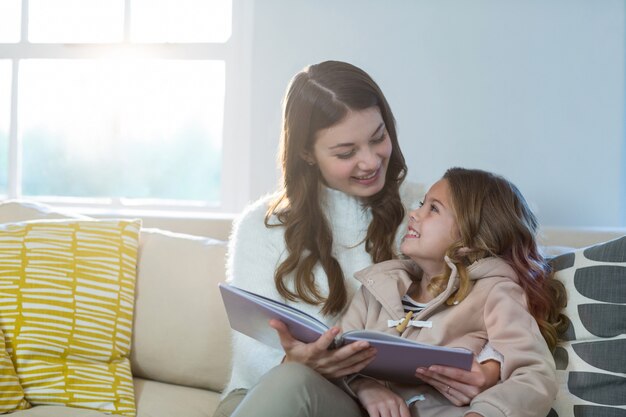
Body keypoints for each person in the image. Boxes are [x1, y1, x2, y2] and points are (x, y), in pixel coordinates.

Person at [213, 61, 500, 417]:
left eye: (378, 138)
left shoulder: (424, 211)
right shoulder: (262, 226)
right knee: (293, 380)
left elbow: (510, 271)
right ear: (306, 154)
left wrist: (492, 369)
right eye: (346, 153)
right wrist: (343, 376)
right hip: (268, 394)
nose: (370, 161)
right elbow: (255, 354)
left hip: (382, 404)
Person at [335, 167, 568, 417]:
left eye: (433, 209)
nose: (413, 213)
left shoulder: (494, 291)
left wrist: (483, 414)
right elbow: (335, 358)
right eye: (421, 204)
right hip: (352, 408)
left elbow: (532, 374)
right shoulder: (377, 286)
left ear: (471, 240)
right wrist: (364, 385)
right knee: (297, 377)